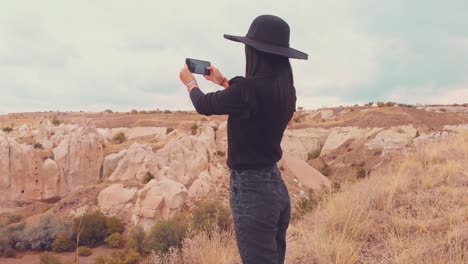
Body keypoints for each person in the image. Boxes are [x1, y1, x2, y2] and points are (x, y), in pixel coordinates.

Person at [179, 14, 308, 264]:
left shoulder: (247, 90)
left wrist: (190, 82)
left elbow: (204, 105)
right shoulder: (286, 92)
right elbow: (253, 104)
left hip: (252, 190)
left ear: (255, 53)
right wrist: (224, 81)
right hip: (276, 188)